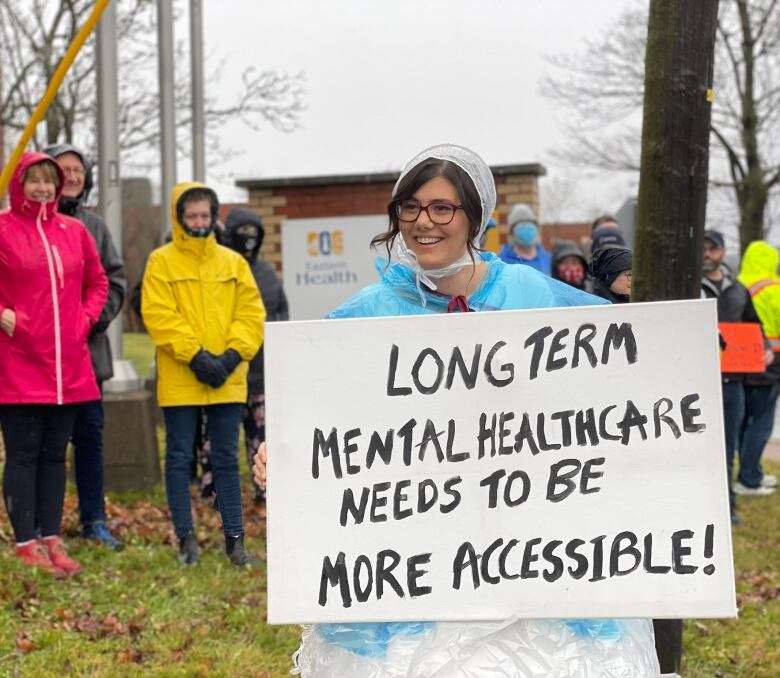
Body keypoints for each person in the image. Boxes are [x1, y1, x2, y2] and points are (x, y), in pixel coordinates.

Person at [253, 145, 660, 676]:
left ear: (475, 217)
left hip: (528, 562)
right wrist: (281, 455)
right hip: (408, 575)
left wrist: (631, 293)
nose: (425, 222)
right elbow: (316, 414)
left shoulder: (526, 291)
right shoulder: (365, 313)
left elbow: (630, 357)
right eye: (411, 207)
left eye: (443, 208)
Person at [141, 182, 265, 568]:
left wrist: (230, 357)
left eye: (205, 215)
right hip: (182, 376)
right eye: (191, 215)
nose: (198, 222)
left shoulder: (233, 263)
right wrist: (194, 356)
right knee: (179, 457)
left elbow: (251, 314)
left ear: (214, 218)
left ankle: (235, 540)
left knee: (227, 458)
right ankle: (185, 538)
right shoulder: (161, 262)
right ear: (180, 218)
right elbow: (159, 314)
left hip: (227, 377)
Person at [0, 152, 108, 576]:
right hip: (19, 362)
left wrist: (83, 319)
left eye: (50, 181)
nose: (43, 189)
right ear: (18, 185)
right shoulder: (4, 228)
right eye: (34, 181)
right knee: (23, 454)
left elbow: (98, 281)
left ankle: (52, 536)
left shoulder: (75, 231)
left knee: (54, 456)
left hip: (70, 367)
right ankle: (26, 540)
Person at [44, 143, 127, 549]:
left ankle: (94, 519)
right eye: (63, 169)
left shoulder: (95, 228)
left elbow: (115, 281)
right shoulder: (28, 226)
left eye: (78, 169)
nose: (71, 176)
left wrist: (89, 321)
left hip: (87, 357)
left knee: (90, 440)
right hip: (40, 362)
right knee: (47, 445)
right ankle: (47, 524)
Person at [701, 230, 772, 524]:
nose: (707, 253)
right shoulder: (690, 286)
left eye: (713, 248)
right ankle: (702, 504)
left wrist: (764, 349)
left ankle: (727, 506)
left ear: (722, 251)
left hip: (733, 381)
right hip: (700, 379)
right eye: (702, 248)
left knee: (728, 443)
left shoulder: (739, 289)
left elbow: (754, 326)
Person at [222, 207, 289, 503]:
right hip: (225, 370)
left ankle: (264, 489)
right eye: (242, 232)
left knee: (260, 436)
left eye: (254, 233)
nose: (248, 239)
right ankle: (218, 492)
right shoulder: (223, 267)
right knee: (220, 441)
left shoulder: (267, 273)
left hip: (261, 370)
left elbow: (281, 313)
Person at [735, 241, 780, 496]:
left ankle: (750, 472)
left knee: (745, 422)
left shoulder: (738, 287)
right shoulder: (774, 290)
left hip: (741, 365)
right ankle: (750, 478)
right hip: (770, 364)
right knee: (761, 424)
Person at [497, 203, 552, 274]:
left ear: (537, 229)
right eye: (521, 225)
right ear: (511, 232)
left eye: (529, 223)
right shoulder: (501, 262)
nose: (526, 227)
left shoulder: (549, 260)